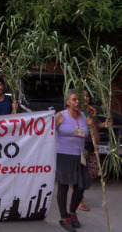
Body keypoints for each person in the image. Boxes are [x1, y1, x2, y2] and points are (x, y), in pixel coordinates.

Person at [55, 89, 99, 231]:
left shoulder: (85, 117)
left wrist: (92, 125)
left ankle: (72, 212)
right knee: (63, 186)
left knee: (81, 186)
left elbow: (96, 141)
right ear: (67, 101)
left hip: (80, 156)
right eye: (74, 99)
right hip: (63, 155)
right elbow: (48, 135)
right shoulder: (60, 116)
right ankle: (64, 217)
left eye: (79, 99)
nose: (77, 102)